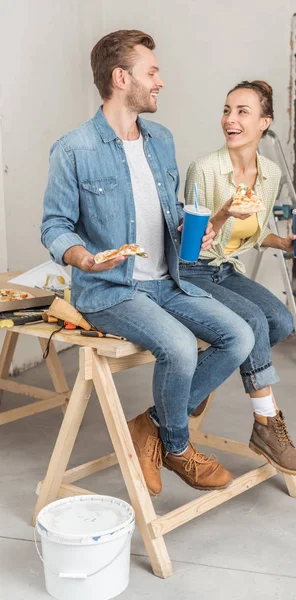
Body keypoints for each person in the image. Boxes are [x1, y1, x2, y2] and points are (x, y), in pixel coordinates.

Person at [41, 31, 256, 496]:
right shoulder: (74, 149)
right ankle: (177, 447)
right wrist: (85, 259)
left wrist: (211, 221)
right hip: (111, 290)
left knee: (240, 335)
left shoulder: (160, 139)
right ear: (121, 78)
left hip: (166, 281)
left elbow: (172, 215)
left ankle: (152, 425)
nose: (160, 81)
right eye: (151, 72)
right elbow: (55, 226)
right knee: (179, 347)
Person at [181, 80, 296, 476]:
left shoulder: (269, 174)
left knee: (280, 320)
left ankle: (206, 373)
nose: (230, 119)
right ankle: (266, 424)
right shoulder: (204, 170)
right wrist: (222, 213)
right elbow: (191, 242)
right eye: (227, 110)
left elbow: (252, 235)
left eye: (242, 112)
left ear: (264, 122)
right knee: (253, 323)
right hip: (192, 270)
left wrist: (285, 244)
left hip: (227, 269)